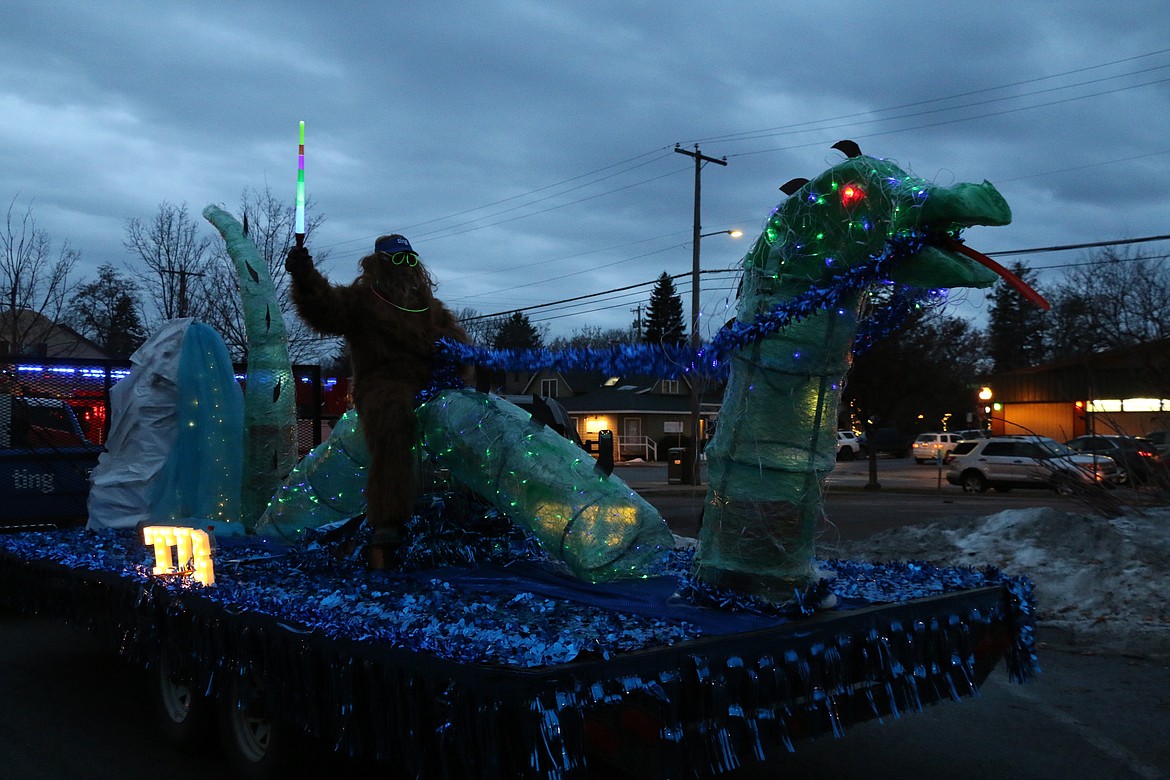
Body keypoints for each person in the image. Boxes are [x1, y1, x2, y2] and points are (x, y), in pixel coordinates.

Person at [285, 234, 468, 567]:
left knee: (469, 414)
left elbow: (458, 348)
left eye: (410, 260)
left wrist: (464, 365)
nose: (406, 267)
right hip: (382, 383)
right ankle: (388, 518)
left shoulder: (431, 310)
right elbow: (324, 306)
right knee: (393, 413)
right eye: (397, 260)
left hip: (430, 384)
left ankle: (474, 506)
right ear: (380, 264)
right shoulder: (361, 300)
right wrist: (304, 274)